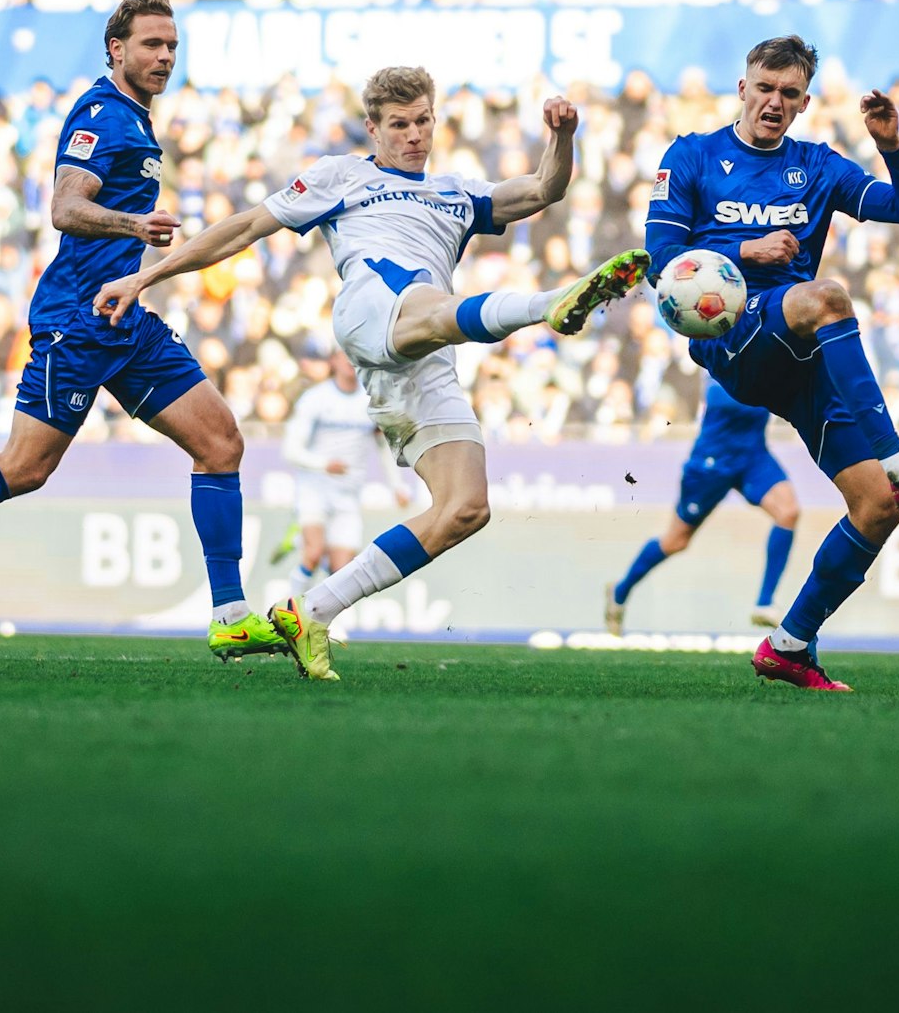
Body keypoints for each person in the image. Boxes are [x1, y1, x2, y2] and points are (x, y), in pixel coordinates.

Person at [96, 64, 649, 681]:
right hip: (371, 311)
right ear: (373, 128)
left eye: (422, 122)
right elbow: (246, 228)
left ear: (434, 119)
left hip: (422, 357)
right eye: (398, 125)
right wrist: (147, 275)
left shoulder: (456, 193)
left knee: (466, 506)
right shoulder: (342, 175)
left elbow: (546, 188)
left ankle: (313, 611)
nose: (413, 135)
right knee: (420, 297)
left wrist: (563, 134)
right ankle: (546, 305)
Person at [0, 0, 284, 661]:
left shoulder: (137, 119)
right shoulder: (101, 113)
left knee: (220, 443)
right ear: (115, 49)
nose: (163, 57)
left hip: (121, 314)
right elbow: (65, 208)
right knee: (24, 469)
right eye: (151, 45)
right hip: (77, 317)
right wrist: (134, 225)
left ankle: (231, 614)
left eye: (172, 46)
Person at [646, 35, 899, 692]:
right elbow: (660, 261)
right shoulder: (691, 155)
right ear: (742, 89)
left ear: (804, 103)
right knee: (825, 296)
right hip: (732, 335)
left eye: (788, 93)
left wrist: (891, 146)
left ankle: (790, 644)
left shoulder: (818, 166)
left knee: (877, 508)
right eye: (764, 87)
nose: (773, 102)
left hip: (801, 349)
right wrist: (748, 253)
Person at [605, 382, 800, 634]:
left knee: (788, 512)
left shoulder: (773, 351)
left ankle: (764, 603)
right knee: (676, 541)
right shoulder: (723, 348)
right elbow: (719, 396)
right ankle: (620, 591)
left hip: (753, 455)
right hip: (712, 462)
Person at [275, 352, 410, 598]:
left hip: (349, 493)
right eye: (343, 355)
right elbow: (291, 449)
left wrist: (397, 486)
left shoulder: (372, 401)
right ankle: (288, 611)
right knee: (314, 553)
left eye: (355, 356)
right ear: (333, 361)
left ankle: (319, 622)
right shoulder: (315, 399)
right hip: (315, 489)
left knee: (342, 570)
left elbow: (383, 447)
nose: (349, 361)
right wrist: (323, 464)